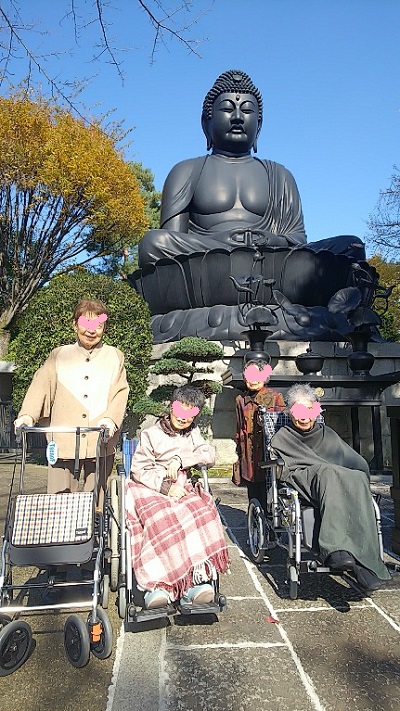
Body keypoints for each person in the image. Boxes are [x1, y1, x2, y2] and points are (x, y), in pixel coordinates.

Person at [139, 68, 364, 265]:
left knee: (351, 247)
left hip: (272, 259)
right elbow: (172, 241)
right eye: (227, 109)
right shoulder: (187, 171)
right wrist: (220, 242)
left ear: (259, 124)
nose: (237, 117)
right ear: (206, 122)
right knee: (153, 242)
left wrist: (269, 240)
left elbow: (297, 240)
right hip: (209, 263)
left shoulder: (280, 175)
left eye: (247, 110)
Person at [270, 383, 392, 593]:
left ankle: (365, 563)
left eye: (310, 410)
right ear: (290, 412)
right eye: (299, 411)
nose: (304, 417)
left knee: (354, 477)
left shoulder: (327, 434)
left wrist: (361, 480)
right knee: (329, 472)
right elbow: (286, 467)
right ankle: (335, 550)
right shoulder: (283, 437)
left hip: (330, 477)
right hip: (303, 477)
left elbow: (355, 461)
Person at [14, 298, 129, 502]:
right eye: (86, 324)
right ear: (75, 325)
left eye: (98, 325)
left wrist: (111, 419)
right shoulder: (59, 354)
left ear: (104, 327)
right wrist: (27, 415)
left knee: (97, 501)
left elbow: (121, 391)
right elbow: (41, 386)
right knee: (59, 500)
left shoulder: (114, 356)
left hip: (100, 437)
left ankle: (95, 522)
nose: (91, 330)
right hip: (63, 438)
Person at [126, 385, 230, 610]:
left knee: (200, 514)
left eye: (190, 413)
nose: (183, 418)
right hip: (150, 487)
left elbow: (208, 454)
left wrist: (181, 460)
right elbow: (139, 470)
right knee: (161, 518)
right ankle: (159, 586)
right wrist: (165, 487)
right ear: (171, 407)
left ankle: (193, 582)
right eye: (180, 410)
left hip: (182, 486)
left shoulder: (193, 433)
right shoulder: (151, 434)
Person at [232, 359, 285, 511]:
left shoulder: (275, 397)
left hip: (267, 452)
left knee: (269, 493)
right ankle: (254, 519)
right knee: (252, 492)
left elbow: (281, 425)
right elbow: (239, 428)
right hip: (248, 455)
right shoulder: (240, 400)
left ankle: (269, 520)